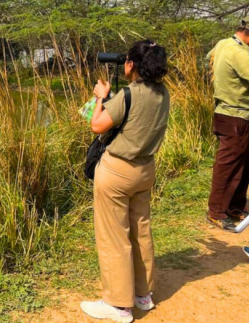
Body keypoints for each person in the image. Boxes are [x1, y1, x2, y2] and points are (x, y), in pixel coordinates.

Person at [80, 40, 170, 323]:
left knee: (113, 237)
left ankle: (118, 304)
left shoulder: (129, 94)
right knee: (140, 231)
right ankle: (143, 296)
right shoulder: (163, 93)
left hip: (118, 171)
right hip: (145, 169)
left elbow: (97, 125)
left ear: (131, 64)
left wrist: (100, 97)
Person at [207, 16, 249, 232]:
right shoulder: (241, 53)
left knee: (244, 164)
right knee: (228, 166)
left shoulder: (223, 44)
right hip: (235, 115)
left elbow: (210, 58)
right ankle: (216, 212)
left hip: (228, 113)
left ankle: (235, 207)